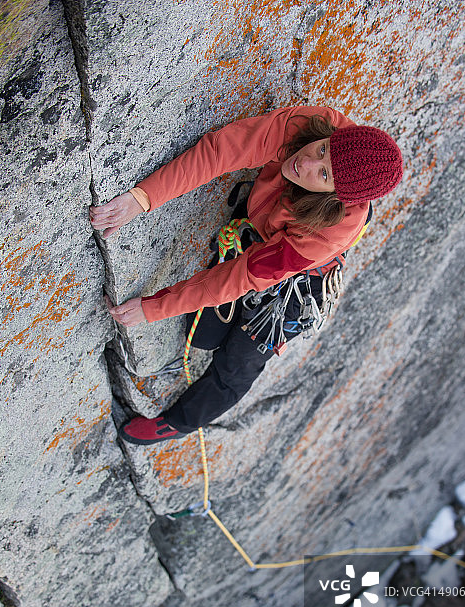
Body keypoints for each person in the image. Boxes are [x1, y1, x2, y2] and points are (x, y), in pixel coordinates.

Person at [89, 106, 403, 445]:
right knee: (203, 336)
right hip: (269, 227)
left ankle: (177, 424)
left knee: (240, 361)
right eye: (323, 149)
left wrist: (152, 308)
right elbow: (223, 150)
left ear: (336, 197)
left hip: (305, 270)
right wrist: (144, 197)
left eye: (323, 175)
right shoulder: (312, 127)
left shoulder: (328, 231)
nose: (306, 163)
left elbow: (244, 276)